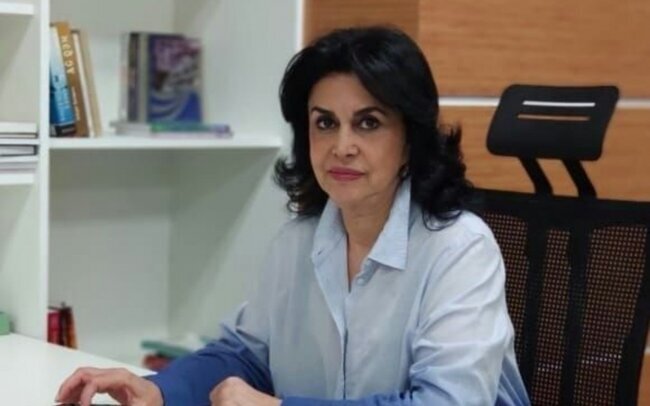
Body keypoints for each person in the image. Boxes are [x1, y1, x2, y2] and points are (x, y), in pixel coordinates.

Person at [56, 26, 530, 406]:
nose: (342, 145)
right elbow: (246, 355)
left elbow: (449, 401)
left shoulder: (459, 249)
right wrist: (157, 390)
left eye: (368, 122)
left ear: (410, 140)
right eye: (325, 122)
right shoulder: (297, 241)